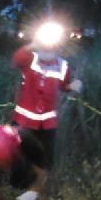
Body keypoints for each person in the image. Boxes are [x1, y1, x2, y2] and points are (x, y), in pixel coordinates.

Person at [11, 32, 82, 168]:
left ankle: (40, 181)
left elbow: (63, 85)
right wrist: (33, 44)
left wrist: (72, 86)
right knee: (19, 154)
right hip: (24, 119)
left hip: (48, 121)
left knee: (45, 158)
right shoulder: (30, 58)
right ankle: (20, 177)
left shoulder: (63, 66)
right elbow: (17, 59)